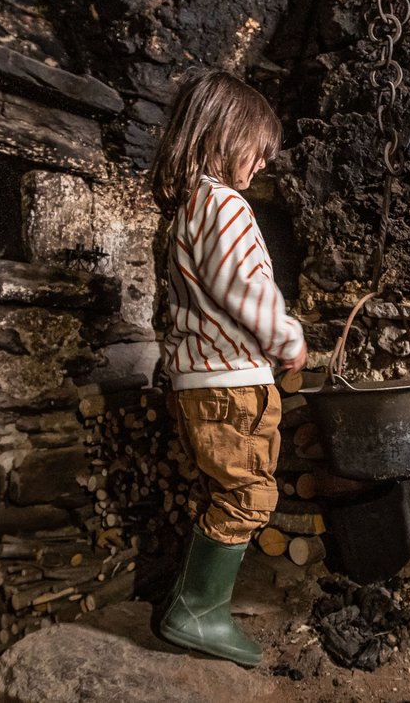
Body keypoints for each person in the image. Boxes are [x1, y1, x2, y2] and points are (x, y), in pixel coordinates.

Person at [149, 69, 307, 667]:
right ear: (223, 133)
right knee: (247, 495)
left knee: (231, 490)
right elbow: (247, 286)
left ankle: (199, 603)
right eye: (257, 149)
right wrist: (287, 337)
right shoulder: (224, 205)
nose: (263, 163)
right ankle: (196, 612)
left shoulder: (189, 209)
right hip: (229, 383)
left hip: (205, 380)